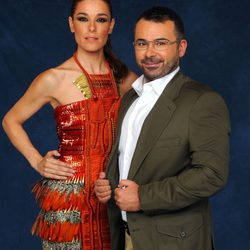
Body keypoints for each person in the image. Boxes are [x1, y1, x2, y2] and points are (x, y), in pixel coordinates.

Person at [2, 0, 137, 249]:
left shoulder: (126, 79)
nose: (92, 28)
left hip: (112, 197)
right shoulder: (53, 78)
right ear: (71, 24)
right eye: (84, 19)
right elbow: (11, 120)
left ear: (111, 26)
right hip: (69, 201)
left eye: (101, 19)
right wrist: (37, 161)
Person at [95, 6, 231, 250]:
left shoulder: (202, 100)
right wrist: (109, 186)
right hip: (124, 237)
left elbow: (212, 174)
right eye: (141, 43)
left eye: (160, 43)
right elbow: (129, 161)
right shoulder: (130, 99)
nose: (149, 53)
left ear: (181, 48)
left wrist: (143, 197)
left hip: (173, 243)